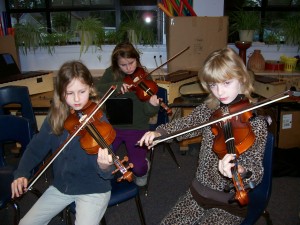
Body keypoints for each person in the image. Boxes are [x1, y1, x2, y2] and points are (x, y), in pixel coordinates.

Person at [138, 47, 269, 224]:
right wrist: (159, 133)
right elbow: (185, 124)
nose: (219, 92)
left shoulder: (256, 123)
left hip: (230, 203)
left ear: (242, 78)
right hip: (199, 191)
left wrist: (241, 171)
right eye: (213, 85)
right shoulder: (210, 110)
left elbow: (256, 168)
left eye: (226, 83)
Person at [11, 61, 115, 225]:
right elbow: (35, 149)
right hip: (61, 186)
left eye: (82, 91)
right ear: (60, 93)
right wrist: (22, 172)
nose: (76, 99)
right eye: (69, 93)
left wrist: (105, 166)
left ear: (90, 88)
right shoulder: (55, 118)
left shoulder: (99, 120)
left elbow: (108, 171)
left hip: (93, 189)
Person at [95, 42, 160, 186]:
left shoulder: (145, 77)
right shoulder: (110, 73)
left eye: (131, 63)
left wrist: (152, 106)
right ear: (116, 64)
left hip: (137, 126)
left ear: (137, 59)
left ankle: (144, 166)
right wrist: (116, 86)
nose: (129, 68)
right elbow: (97, 89)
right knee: (101, 159)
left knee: (138, 168)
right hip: (112, 126)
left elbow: (148, 112)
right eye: (123, 65)